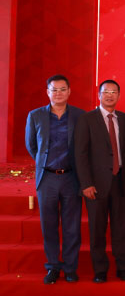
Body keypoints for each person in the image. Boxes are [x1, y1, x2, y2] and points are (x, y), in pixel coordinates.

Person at [25, 75, 85, 284]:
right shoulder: (35, 116)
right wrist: (45, 162)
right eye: (54, 89)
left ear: (69, 91)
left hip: (71, 177)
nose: (58, 93)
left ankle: (70, 268)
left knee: (71, 226)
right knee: (49, 225)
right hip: (47, 177)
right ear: (47, 92)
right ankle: (52, 266)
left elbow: (84, 146)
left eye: (62, 89)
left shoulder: (80, 115)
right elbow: (32, 146)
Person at [74, 80, 125, 283]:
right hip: (95, 184)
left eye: (113, 92)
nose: (109, 95)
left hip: (120, 181)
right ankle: (100, 270)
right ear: (99, 94)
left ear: (119, 95)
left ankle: (124, 268)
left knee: (121, 228)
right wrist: (86, 183)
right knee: (97, 228)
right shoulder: (87, 119)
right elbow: (80, 154)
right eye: (105, 91)